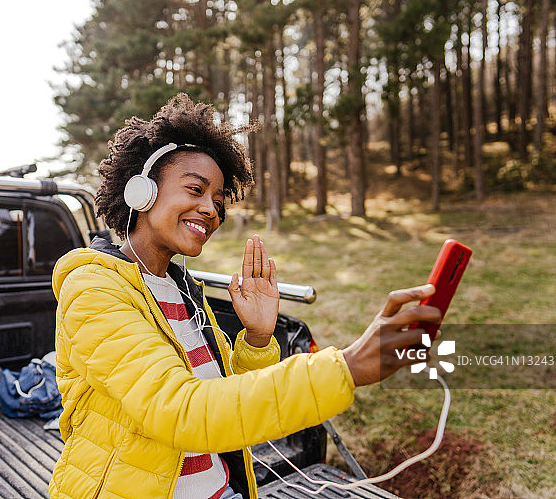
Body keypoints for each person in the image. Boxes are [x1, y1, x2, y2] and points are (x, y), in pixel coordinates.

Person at [49, 94, 441, 499]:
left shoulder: (181, 287)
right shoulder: (93, 289)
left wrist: (256, 339)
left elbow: (226, 404)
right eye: (195, 190)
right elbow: (184, 411)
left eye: (217, 202)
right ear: (142, 192)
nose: (210, 210)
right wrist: (348, 367)